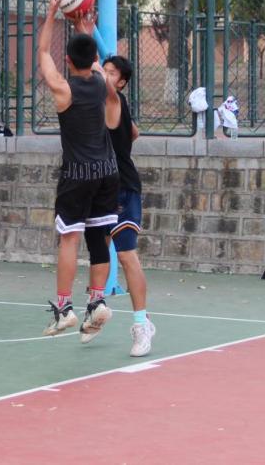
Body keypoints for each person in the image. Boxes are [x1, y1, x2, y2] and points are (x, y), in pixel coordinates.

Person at [37, 0, 120, 343]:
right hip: (107, 171)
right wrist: (84, 27)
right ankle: (97, 300)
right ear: (93, 59)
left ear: (68, 61)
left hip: (78, 174)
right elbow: (96, 61)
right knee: (99, 237)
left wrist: (51, 15)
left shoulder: (64, 89)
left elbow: (43, 53)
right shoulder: (101, 81)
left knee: (69, 238)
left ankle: (64, 307)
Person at [102, 55, 156, 357]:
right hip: (98, 189)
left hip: (123, 188)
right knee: (98, 253)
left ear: (121, 82)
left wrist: (85, 37)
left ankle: (141, 323)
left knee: (125, 255)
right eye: (104, 70)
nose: (104, 74)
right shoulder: (99, 104)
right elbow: (134, 131)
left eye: (111, 73)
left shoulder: (115, 99)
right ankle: (95, 308)